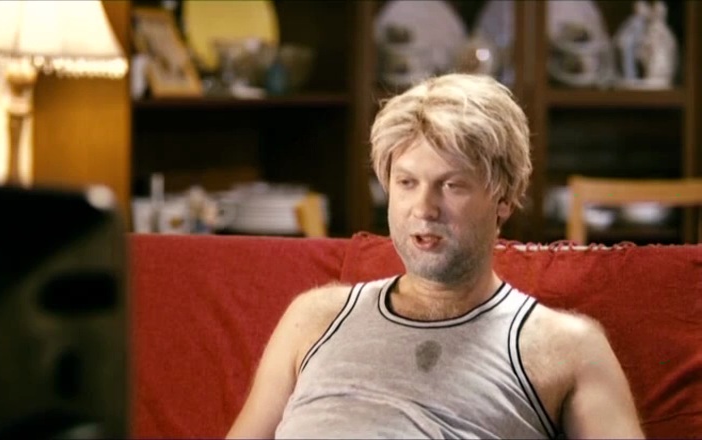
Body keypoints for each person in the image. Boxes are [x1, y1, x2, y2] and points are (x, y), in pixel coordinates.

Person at [226, 73, 644, 439]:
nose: (424, 209)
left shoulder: (565, 346)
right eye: (407, 183)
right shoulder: (314, 318)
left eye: (451, 185)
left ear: (504, 198)